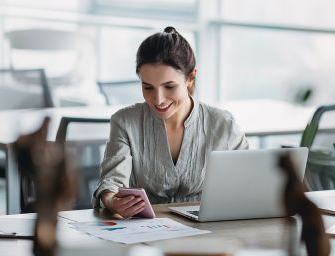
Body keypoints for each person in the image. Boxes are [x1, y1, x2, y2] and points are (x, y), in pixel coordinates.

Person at [93, 26, 249, 218]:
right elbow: (111, 181)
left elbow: (248, 183)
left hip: (210, 228)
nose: (158, 99)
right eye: (148, 87)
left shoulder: (223, 124)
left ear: (191, 78)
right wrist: (111, 201)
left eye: (169, 86)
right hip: (143, 229)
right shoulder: (125, 121)